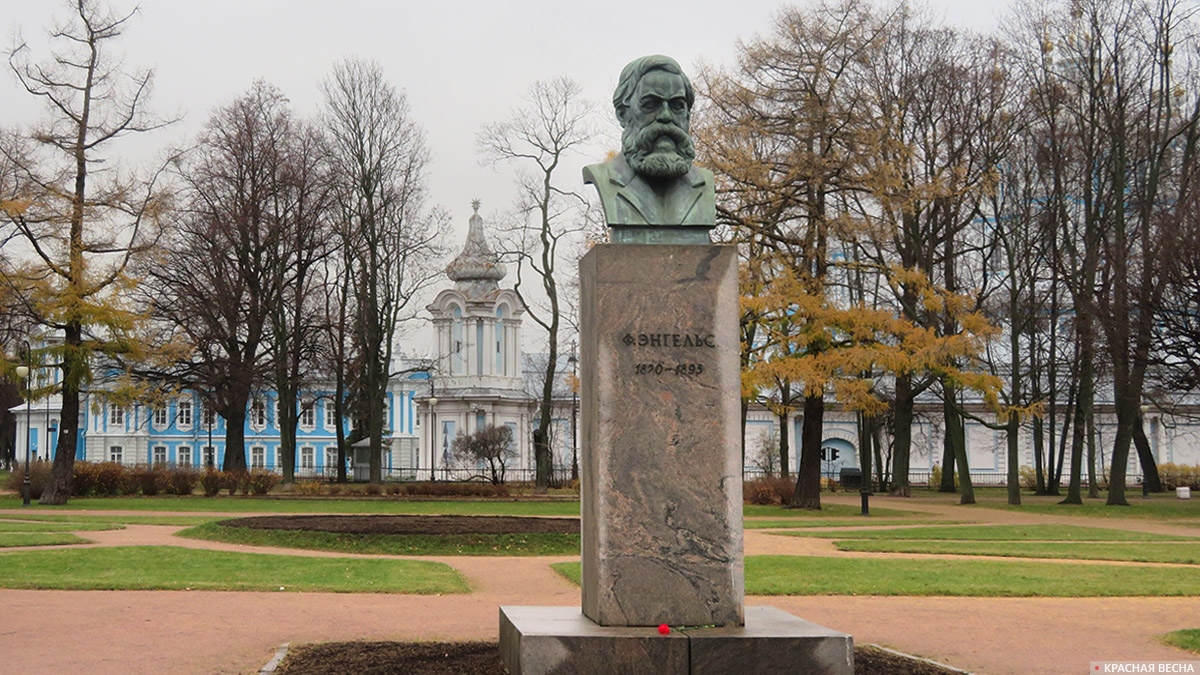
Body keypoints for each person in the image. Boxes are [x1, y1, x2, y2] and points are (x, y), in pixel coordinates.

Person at [584, 55, 715, 240]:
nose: (665, 116)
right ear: (623, 114)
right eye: (650, 105)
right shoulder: (605, 177)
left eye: (677, 105)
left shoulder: (704, 183)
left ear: (687, 114)